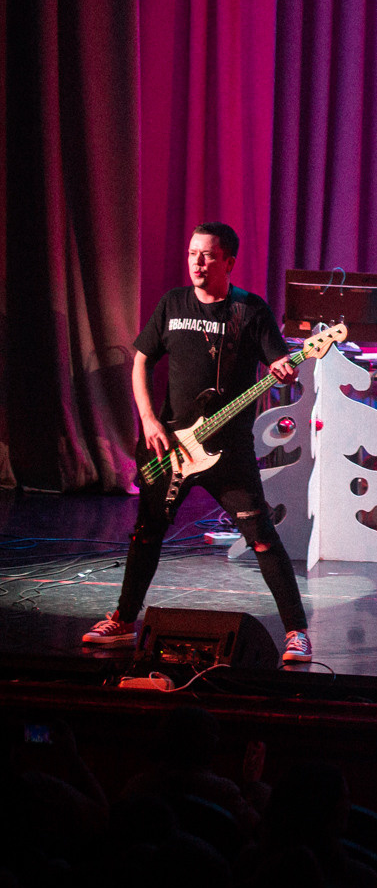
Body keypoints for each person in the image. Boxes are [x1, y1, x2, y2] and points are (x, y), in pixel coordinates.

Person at [83, 223, 312, 663]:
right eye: (193, 254)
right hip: (172, 448)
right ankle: (123, 620)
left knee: (262, 538)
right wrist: (149, 419)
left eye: (207, 255)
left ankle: (296, 632)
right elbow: (142, 360)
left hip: (231, 454)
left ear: (229, 262)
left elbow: (280, 361)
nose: (197, 262)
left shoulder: (250, 311)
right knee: (146, 534)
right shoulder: (173, 303)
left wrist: (287, 368)